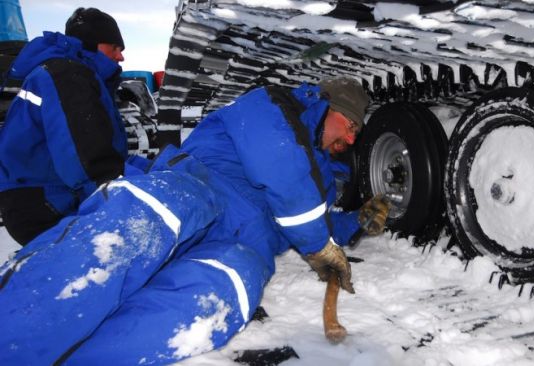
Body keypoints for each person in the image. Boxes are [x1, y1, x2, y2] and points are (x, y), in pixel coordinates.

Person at [0, 77, 390, 365]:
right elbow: (281, 171)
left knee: (227, 290)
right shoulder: (274, 106)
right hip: (199, 191)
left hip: (243, 246)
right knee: (135, 227)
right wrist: (316, 243)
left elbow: (314, 221)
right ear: (327, 106)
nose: (352, 140)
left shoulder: (316, 177)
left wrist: (355, 221)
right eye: (351, 125)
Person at [0, 7, 143, 246]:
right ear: (90, 44)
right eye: (115, 48)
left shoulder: (61, 71)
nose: (120, 57)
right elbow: (83, 153)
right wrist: (116, 196)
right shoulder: (67, 74)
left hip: (36, 199)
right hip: (47, 203)